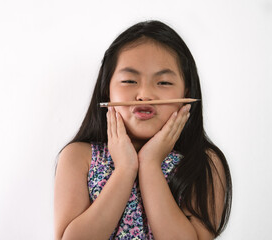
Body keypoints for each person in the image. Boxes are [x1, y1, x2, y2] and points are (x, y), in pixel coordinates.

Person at [54, 20, 232, 240]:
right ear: (106, 90)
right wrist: (125, 169)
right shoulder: (80, 157)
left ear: (186, 92)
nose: (145, 94)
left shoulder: (203, 162)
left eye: (164, 83)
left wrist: (149, 164)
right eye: (129, 80)